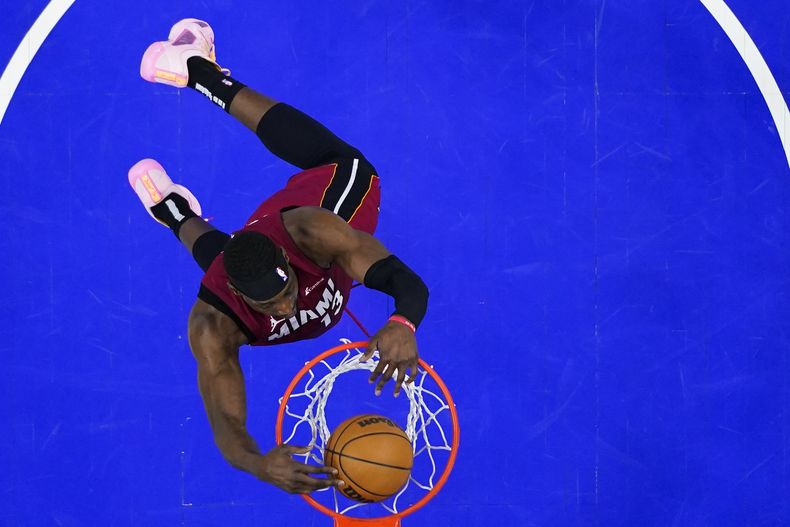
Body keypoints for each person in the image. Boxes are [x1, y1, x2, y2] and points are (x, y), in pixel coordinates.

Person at [128, 19, 429, 495]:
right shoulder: (215, 320)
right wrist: (257, 464)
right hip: (282, 280)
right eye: (270, 306)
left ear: (287, 263)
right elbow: (226, 423)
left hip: (307, 238)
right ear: (239, 295)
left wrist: (403, 322)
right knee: (352, 169)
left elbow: (402, 279)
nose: (287, 307)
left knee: (345, 167)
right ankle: (175, 200)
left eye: (285, 291)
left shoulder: (312, 230)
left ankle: (199, 99)